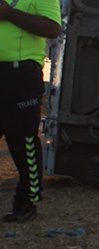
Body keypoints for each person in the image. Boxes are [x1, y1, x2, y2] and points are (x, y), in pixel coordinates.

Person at [0, 0, 61, 222]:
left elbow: (53, 28)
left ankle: (27, 201)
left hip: (21, 76)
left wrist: (11, 14)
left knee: (23, 143)